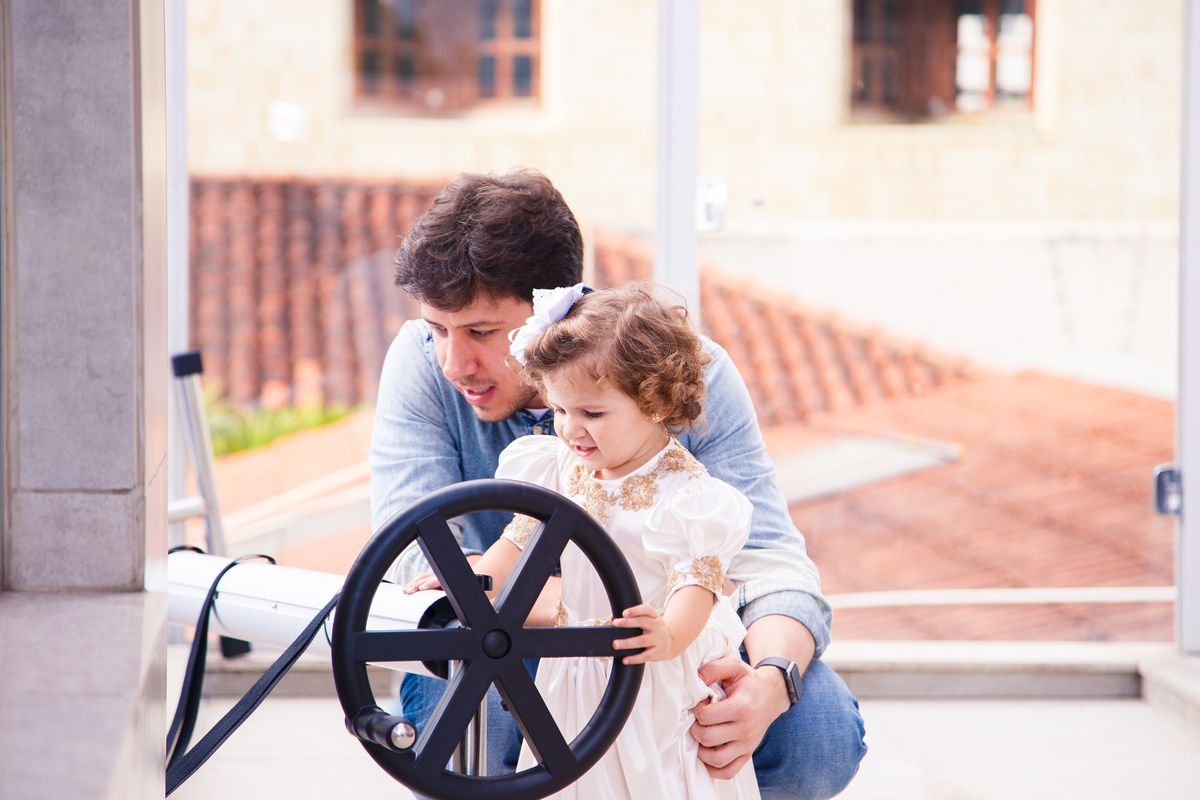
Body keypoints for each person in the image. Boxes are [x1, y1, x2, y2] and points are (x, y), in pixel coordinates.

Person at [370, 169, 865, 799]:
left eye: (483, 333)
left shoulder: (685, 373)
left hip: (666, 644)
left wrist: (771, 680)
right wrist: (531, 603)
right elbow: (420, 546)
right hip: (497, 636)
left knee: (818, 734)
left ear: (553, 307)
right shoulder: (422, 363)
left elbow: (767, 558)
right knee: (479, 715)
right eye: (438, 329)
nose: (453, 364)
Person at [406, 283, 761, 799]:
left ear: (655, 400)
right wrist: (469, 578)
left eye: (592, 414)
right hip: (571, 663)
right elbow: (517, 544)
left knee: (653, 776)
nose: (571, 429)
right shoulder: (562, 467)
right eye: (560, 410)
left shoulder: (688, 498)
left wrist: (667, 635)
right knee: (571, 773)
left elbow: (696, 587)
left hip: (647, 669)